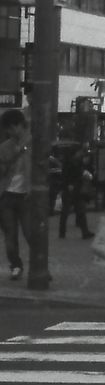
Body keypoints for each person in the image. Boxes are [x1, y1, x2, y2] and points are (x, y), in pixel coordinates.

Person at [0, 109, 32, 281]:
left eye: (12, 128)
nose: (10, 132)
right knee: (10, 236)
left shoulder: (33, 142)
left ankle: (38, 266)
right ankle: (16, 265)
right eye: (8, 130)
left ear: (20, 125)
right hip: (7, 195)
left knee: (30, 234)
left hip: (26, 196)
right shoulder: (4, 148)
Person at [58, 143, 93, 240]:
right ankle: (83, 231)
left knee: (74, 210)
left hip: (74, 187)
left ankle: (82, 231)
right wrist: (69, 184)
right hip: (72, 187)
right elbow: (69, 174)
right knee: (71, 210)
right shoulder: (72, 161)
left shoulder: (74, 161)